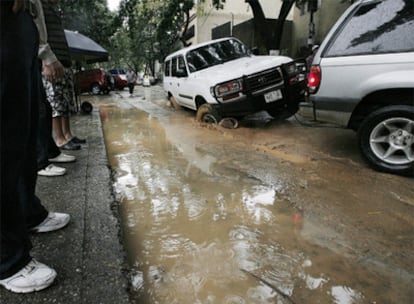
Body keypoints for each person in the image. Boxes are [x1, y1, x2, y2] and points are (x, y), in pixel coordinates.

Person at [1, 0, 70, 293]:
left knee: (22, 137)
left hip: (21, 23)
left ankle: (28, 212)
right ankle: (6, 258)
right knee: (4, 142)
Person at [35, 0, 76, 177]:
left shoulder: (52, 10)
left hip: (54, 59)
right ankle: (41, 159)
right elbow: (38, 31)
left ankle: (51, 151)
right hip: (45, 59)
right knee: (48, 107)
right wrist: (46, 56)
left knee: (51, 105)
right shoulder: (39, 6)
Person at [41, 0, 85, 151]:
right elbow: (41, 37)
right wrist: (46, 60)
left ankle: (68, 134)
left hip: (63, 61)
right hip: (52, 61)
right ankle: (59, 138)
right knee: (56, 102)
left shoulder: (55, 10)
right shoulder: (41, 6)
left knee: (66, 101)